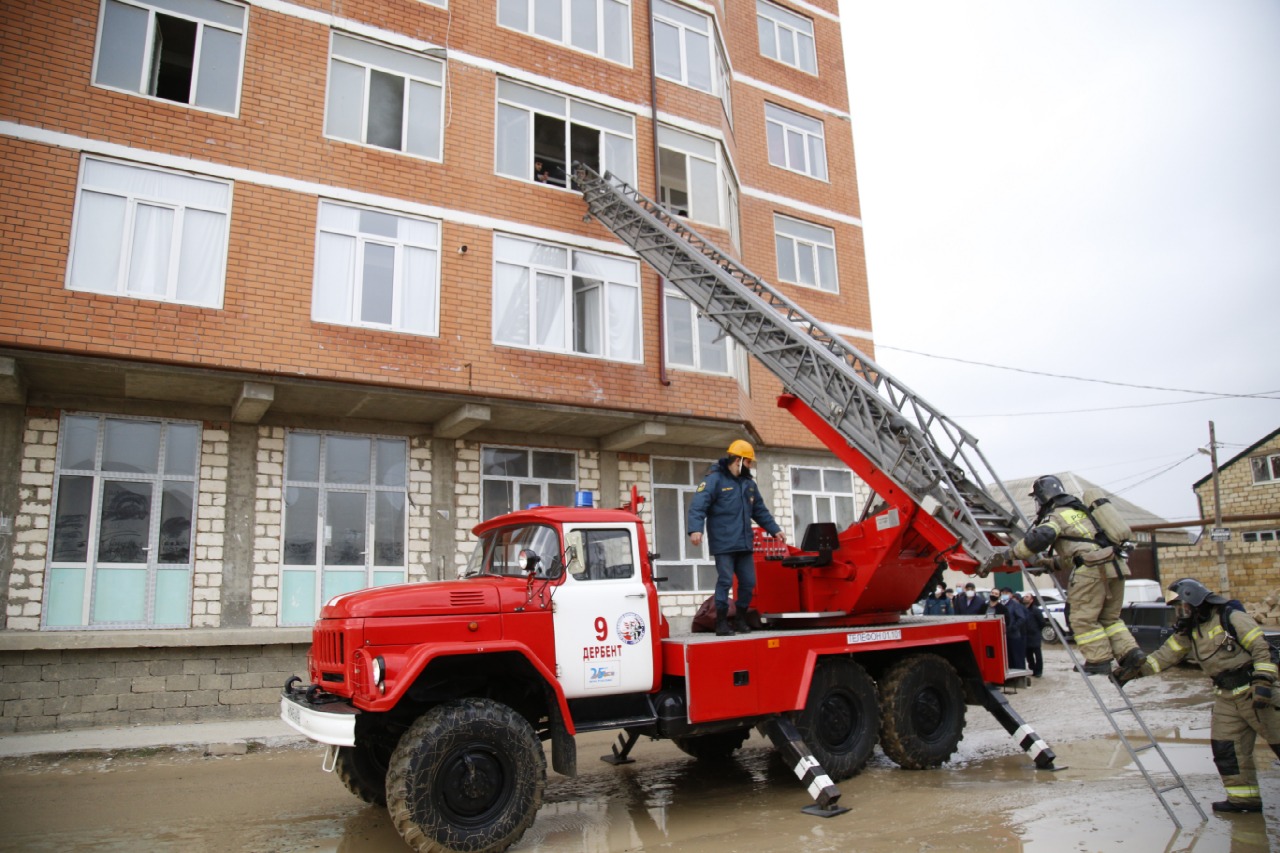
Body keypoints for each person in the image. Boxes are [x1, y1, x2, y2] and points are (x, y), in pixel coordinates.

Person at [1115, 578, 1280, 814]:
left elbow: (1260, 647)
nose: (1180, 613)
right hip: (1225, 698)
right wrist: (1131, 673)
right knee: (1227, 750)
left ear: (1195, 600)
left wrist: (1264, 681)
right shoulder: (1189, 632)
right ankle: (1244, 800)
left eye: (1183, 606)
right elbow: (1162, 658)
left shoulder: (1230, 616)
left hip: (1254, 691)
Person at [985, 475, 1144, 676]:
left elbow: (1042, 537)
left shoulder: (1056, 515)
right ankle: (1132, 653)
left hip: (1093, 571)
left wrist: (1011, 553)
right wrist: (1052, 563)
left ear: (1042, 497)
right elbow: (1081, 550)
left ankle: (1099, 659)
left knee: (1081, 619)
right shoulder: (1084, 512)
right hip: (1116, 567)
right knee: (1110, 619)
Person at [687, 440, 785, 636]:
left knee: (748, 582)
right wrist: (695, 529)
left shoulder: (748, 484)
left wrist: (774, 529)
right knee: (725, 580)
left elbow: (759, 511)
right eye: (749, 462)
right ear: (738, 460)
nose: (750, 466)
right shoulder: (714, 480)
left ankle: (740, 618)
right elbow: (698, 505)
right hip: (723, 543)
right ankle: (721, 623)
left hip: (743, 543)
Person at [990, 587, 1028, 670]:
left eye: (1007, 593)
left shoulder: (1015, 605)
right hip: (1002, 636)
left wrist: (1013, 627)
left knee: (1016, 656)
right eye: (1003, 593)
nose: (1004, 594)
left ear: (1011, 595)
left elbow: (1021, 618)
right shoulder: (999, 604)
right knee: (1008, 657)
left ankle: (1020, 674)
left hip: (1013, 635)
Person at [1021, 593, 1046, 677]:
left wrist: (1036, 629)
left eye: (1027, 597)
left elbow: (1042, 622)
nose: (1025, 598)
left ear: (1031, 600)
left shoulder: (1036, 610)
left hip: (1034, 635)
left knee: (1037, 654)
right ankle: (1032, 668)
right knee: (1028, 654)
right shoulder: (1022, 609)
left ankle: (1039, 671)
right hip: (1025, 635)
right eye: (1024, 596)